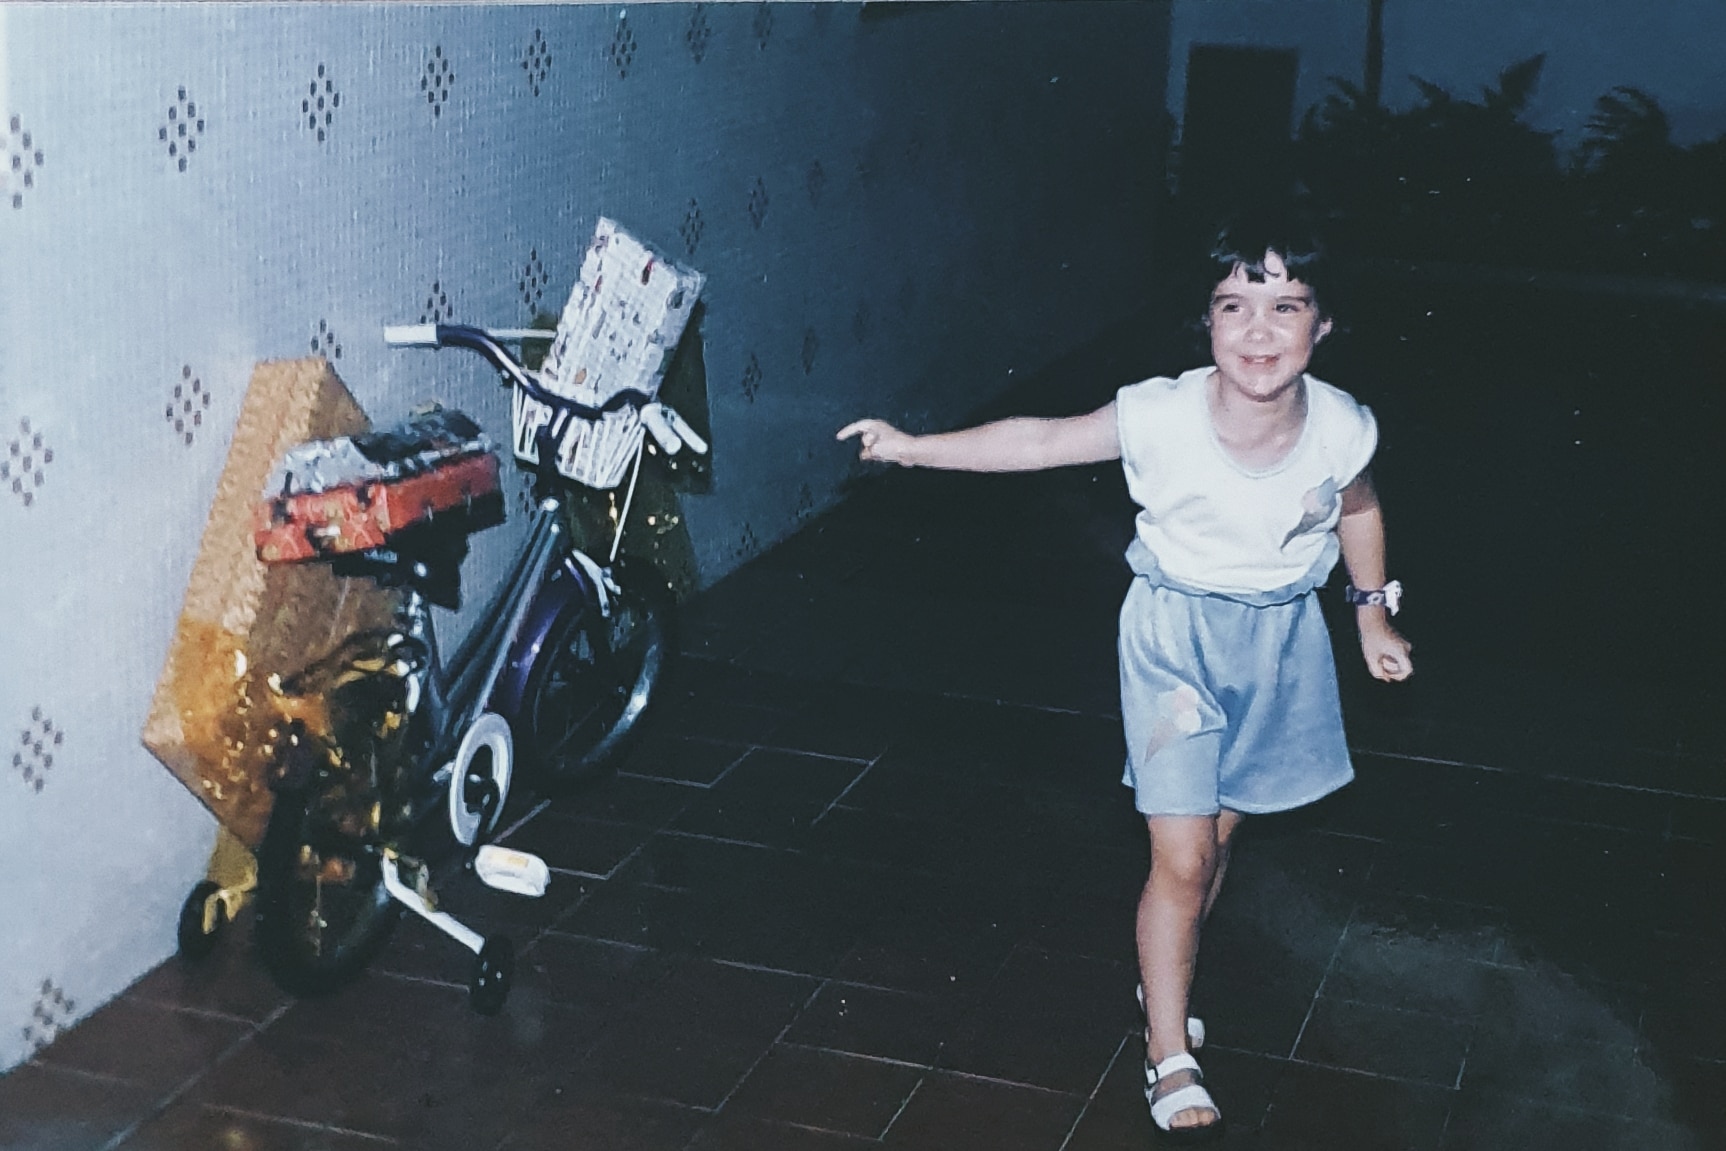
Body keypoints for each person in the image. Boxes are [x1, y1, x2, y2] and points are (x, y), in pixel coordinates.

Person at [837, 216, 1413, 1143]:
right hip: (1174, 641)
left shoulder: (1342, 427)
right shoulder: (1160, 415)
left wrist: (1371, 615)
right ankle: (1168, 1049)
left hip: (1279, 645)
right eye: (1234, 305)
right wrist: (915, 446)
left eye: (1286, 306)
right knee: (1182, 857)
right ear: (1206, 320)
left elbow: (1360, 508)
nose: (1258, 330)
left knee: (1213, 846)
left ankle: (1164, 970)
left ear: (1323, 323)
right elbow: (1040, 440)